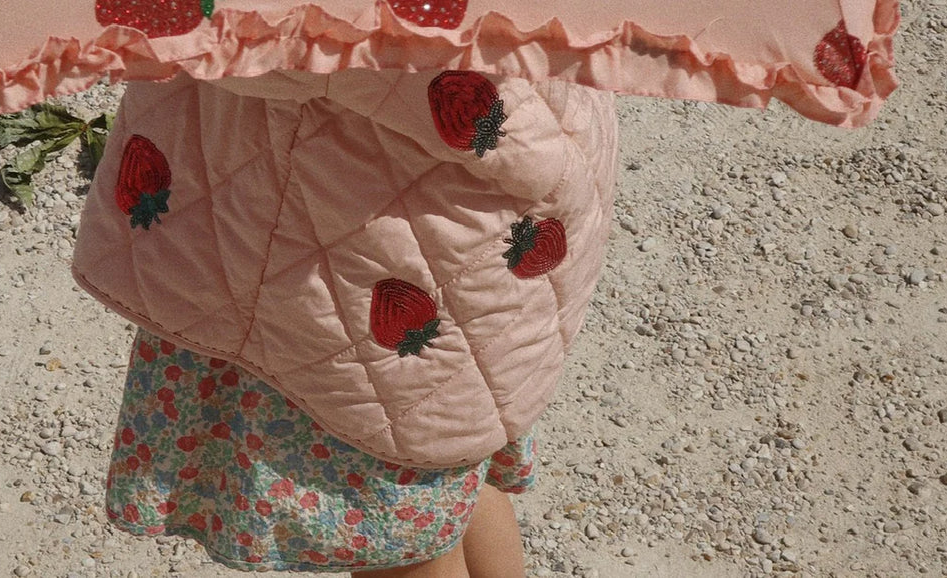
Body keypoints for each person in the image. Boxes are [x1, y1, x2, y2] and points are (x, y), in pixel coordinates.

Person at [73, 69, 619, 576]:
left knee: (397, 533)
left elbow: (280, 47)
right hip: (446, 243)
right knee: (444, 478)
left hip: (339, 270)